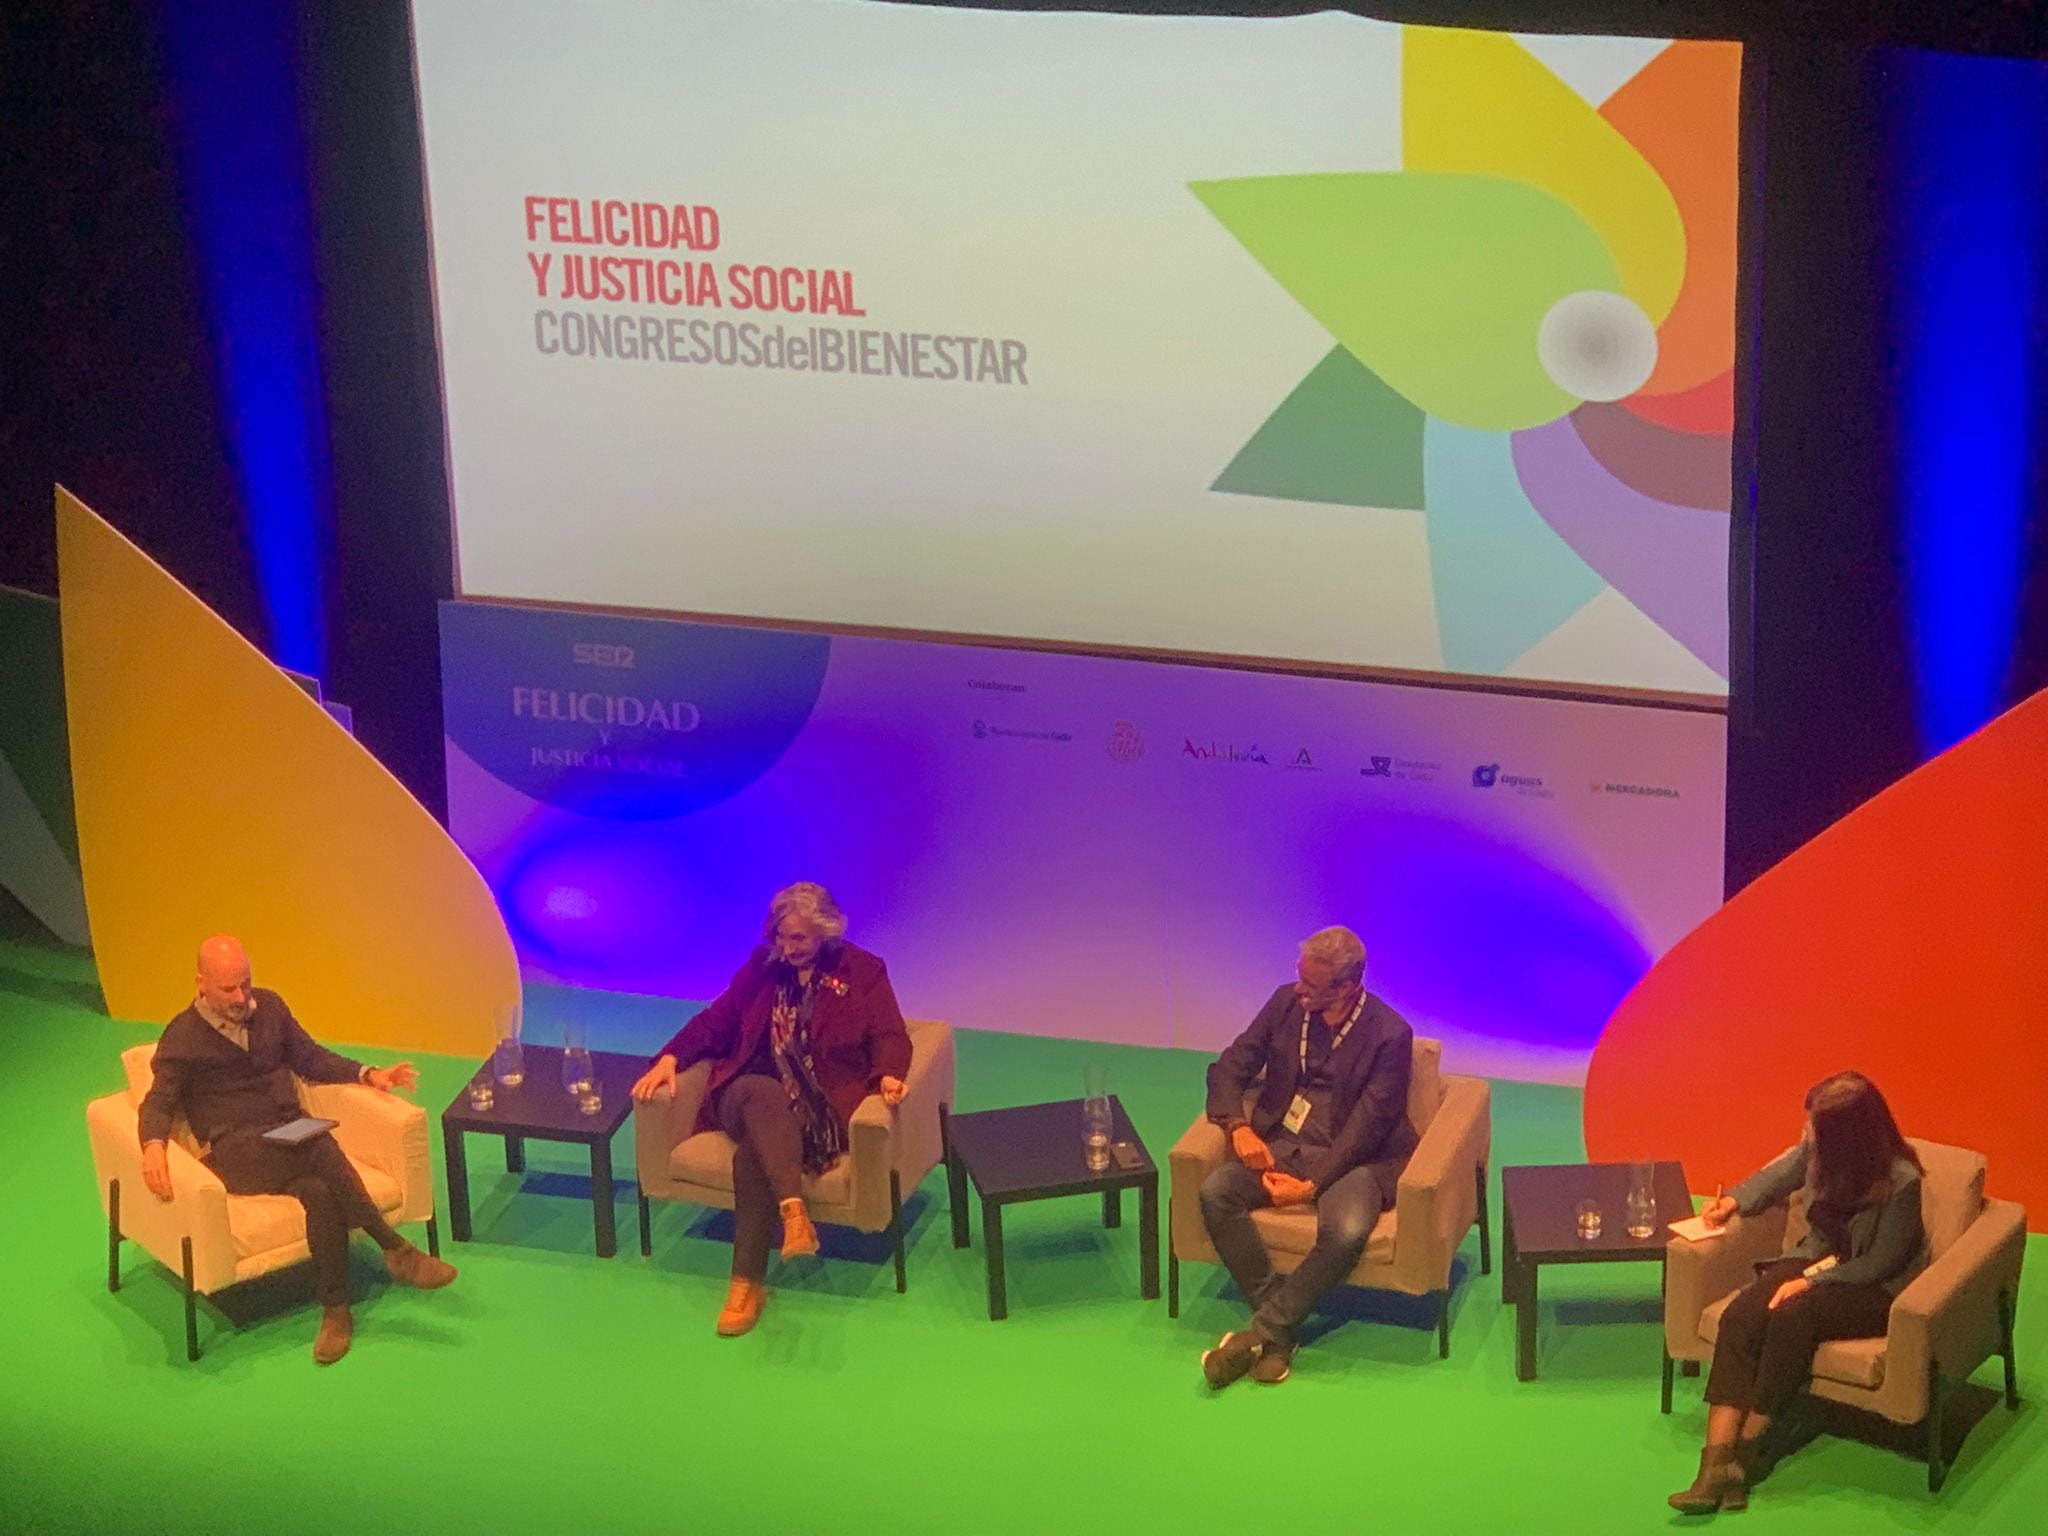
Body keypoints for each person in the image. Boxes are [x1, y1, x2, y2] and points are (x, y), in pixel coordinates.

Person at [137, 936, 458, 1365]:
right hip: (235, 1153)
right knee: (317, 1143)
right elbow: (158, 1100)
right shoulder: (182, 1037)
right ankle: (393, 1247)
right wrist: (152, 1146)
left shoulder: (270, 1008)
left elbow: (310, 1058)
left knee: (321, 1191)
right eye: (229, 989)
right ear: (201, 983)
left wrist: (367, 1074)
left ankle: (336, 1311)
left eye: (245, 984)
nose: (241, 997)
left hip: (285, 1133)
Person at [631, 882, 911, 1337]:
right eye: (781, 937)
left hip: (820, 1105)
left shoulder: (862, 971)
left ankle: (745, 1286)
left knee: (752, 1157)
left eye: (798, 938)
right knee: (762, 1093)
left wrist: (888, 1073)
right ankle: (793, 1212)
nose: (788, 947)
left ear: (825, 932)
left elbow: (890, 1035)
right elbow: (714, 1022)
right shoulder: (762, 969)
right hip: (746, 1092)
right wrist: (670, 1057)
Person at [1668, 1071, 1928, 1514]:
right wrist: (1732, 1201)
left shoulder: (1901, 1181)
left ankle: (1746, 1456)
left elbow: (1879, 1263)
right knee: (1743, 1314)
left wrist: (1808, 1283)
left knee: (1792, 1317)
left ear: (1849, 1136)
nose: (1808, 1133)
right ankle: (1714, 1468)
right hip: (1817, 1259)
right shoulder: (1817, 1151)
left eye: (1817, 1127)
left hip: (1868, 1287)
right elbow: (1776, 1175)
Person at [1195, 925, 1418, 1387]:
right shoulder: (1284, 1005)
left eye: (1311, 986)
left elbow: (1369, 1125)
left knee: (1348, 1229)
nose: (1299, 989)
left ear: (1347, 987)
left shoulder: (1389, 1034)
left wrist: (1313, 1186)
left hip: (1356, 1160)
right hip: (1283, 1147)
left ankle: (1259, 1334)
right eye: (1299, 977)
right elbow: (1228, 1067)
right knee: (1217, 1192)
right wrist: (1237, 1128)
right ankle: (1279, 1331)